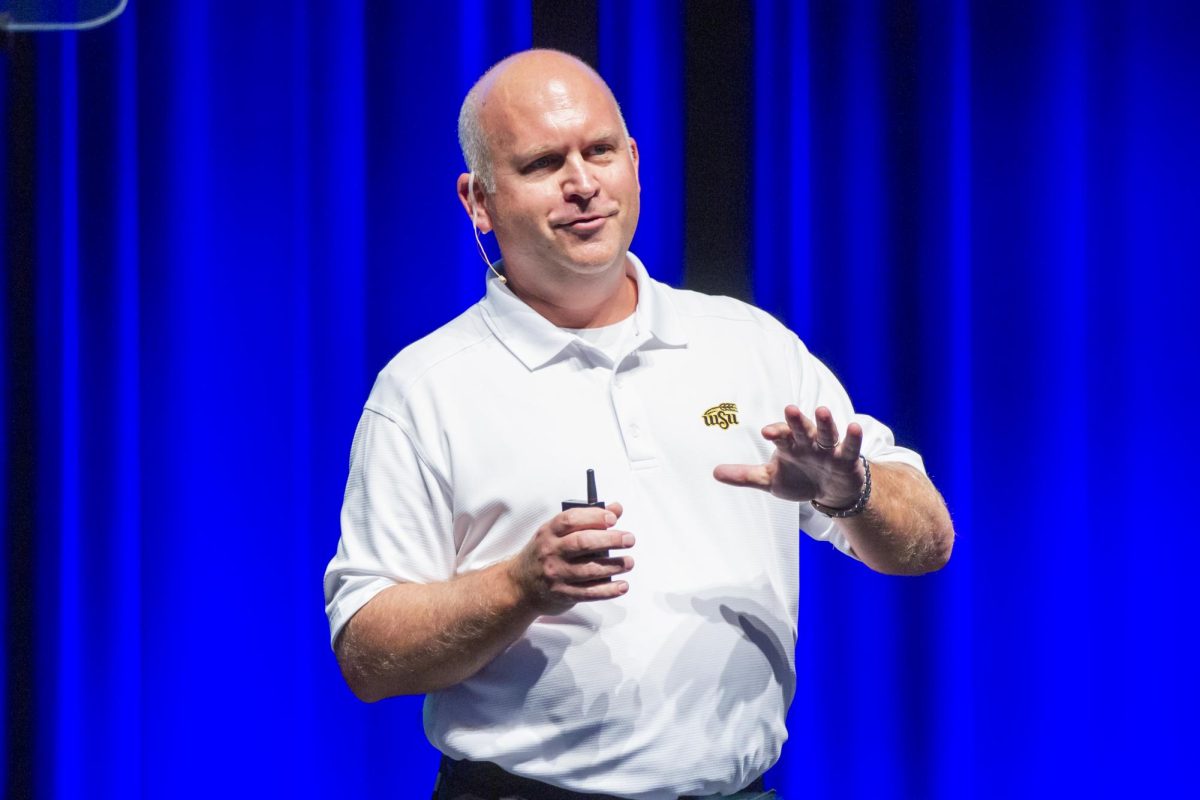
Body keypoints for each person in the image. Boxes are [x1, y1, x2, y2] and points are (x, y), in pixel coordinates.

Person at [324, 49, 954, 800]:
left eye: (599, 152)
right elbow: (367, 654)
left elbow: (928, 544)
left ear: (635, 161)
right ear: (479, 201)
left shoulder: (748, 345)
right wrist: (520, 586)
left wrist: (852, 493)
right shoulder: (426, 389)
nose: (583, 184)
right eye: (542, 163)